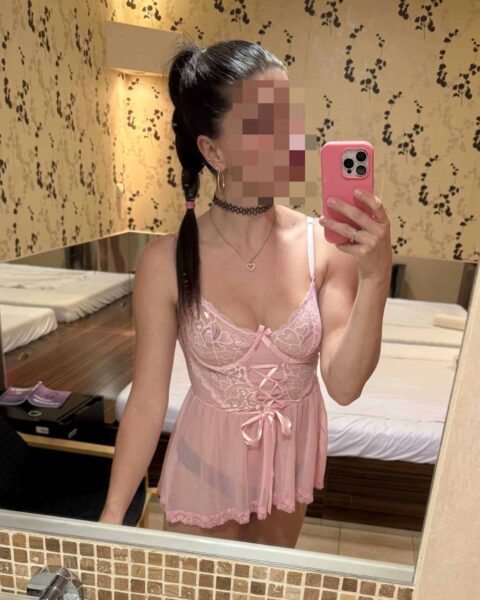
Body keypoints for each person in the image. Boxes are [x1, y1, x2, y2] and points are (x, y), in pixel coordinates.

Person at [99, 39, 392, 548]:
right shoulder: (166, 261)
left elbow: (344, 386)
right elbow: (146, 401)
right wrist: (111, 516)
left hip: (286, 475)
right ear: (213, 151)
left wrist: (377, 277)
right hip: (204, 467)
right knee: (202, 585)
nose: (290, 142)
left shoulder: (325, 247)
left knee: (266, 584)